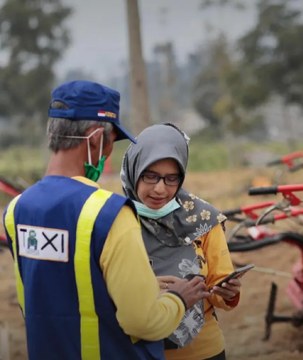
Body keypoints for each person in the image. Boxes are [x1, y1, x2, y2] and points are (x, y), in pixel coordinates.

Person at [2, 81, 211, 360]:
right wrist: (179, 299)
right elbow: (143, 322)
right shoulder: (109, 214)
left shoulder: (16, 210)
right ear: (96, 138)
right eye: (112, 142)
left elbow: (58, 288)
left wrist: (139, 284)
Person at [121, 123, 242, 360]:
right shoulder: (115, 219)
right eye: (150, 176)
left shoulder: (204, 220)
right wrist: (146, 289)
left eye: (171, 179)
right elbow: (101, 289)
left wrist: (228, 293)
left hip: (202, 351)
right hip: (137, 351)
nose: (160, 189)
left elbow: (219, 286)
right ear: (134, 169)